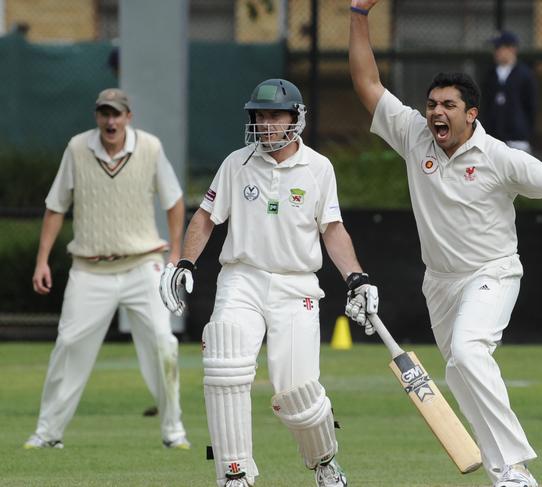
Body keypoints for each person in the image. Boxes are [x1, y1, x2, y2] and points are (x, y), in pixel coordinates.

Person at [348, 2, 542, 486]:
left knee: (468, 355)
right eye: (431, 104)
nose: (435, 113)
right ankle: (503, 473)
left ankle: (513, 465)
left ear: (471, 114)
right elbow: (367, 85)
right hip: (440, 283)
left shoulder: (500, 158)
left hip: (492, 273)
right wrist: (359, 12)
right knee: (459, 375)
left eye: (447, 106)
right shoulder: (413, 136)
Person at [160, 78, 376, 487]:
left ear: (296, 119)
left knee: (298, 396)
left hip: (297, 286)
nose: (264, 123)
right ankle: (234, 474)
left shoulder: (318, 168)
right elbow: (206, 217)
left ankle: (325, 462)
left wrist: (356, 278)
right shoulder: (235, 163)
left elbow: (332, 230)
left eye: (273, 115)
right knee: (224, 362)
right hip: (241, 279)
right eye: (258, 115)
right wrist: (183, 261)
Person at [24, 88, 190, 451]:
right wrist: (42, 261)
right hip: (89, 268)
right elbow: (56, 206)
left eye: (117, 114)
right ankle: (48, 433)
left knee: (164, 343)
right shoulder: (77, 148)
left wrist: (175, 255)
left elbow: (175, 200)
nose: (110, 121)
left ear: (128, 117)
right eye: (104, 114)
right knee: (68, 344)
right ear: (97, 117)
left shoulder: (150, 147)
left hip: (143, 264)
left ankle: (173, 431)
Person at [481, 30, 537, 153]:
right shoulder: (490, 74)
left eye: (499, 47)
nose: (496, 52)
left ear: (512, 49)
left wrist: (525, 130)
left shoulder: (525, 74)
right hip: (493, 136)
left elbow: (531, 106)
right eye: (495, 48)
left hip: (517, 136)